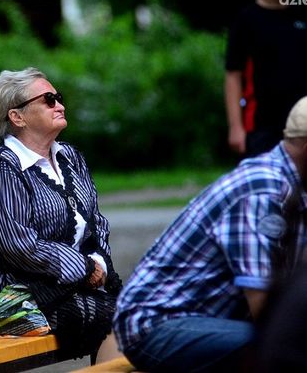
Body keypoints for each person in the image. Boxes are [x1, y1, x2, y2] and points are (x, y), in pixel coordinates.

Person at [113, 96, 307, 373]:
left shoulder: (293, 186)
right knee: (290, 345)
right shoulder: (263, 190)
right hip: (157, 325)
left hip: (210, 321)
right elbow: (263, 304)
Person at [0, 67, 123, 363]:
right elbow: (20, 246)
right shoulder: (5, 169)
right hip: (11, 299)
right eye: (49, 100)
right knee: (117, 319)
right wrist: (84, 268)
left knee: (141, 312)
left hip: (69, 288)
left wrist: (100, 264)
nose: (60, 105)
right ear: (17, 117)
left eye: (59, 97)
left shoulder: (70, 157)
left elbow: (96, 223)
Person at [224, 0, 307, 157]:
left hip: (303, 120)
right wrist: (235, 127)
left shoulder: (301, 11)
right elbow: (233, 74)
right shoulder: (247, 19)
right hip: (262, 124)